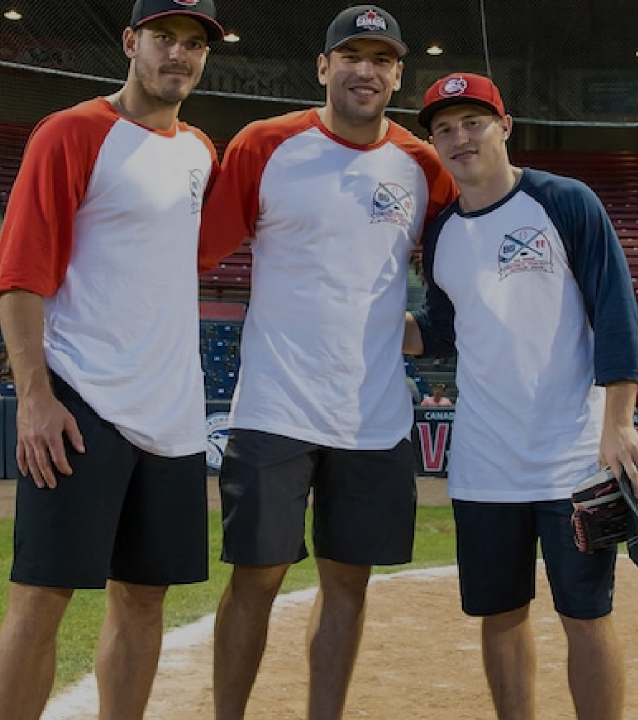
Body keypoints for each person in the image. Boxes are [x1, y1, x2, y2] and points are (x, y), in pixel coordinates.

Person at [195, 7, 457, 719]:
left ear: (399, 74)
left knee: (349, 583)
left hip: (373, 417)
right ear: (323, 67)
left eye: (381, 59)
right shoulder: (263, 146)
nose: (365, 71)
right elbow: (196, 251)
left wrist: (430, 336)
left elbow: (460, 275)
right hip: (274, 406)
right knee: (257, 576)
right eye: (351, 56)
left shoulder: (424, 167)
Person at [0, 2, 224, 719]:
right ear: (130, 43)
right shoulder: (72, 132)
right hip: (82, 400)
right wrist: (35, 396)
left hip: (174, 412)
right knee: (41, 596)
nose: (177, 55)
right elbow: (20, 275)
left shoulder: (201, 151)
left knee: (145, 598)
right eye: (162, 39)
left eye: (192, 44)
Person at [403, 71, 638, 720]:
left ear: (504, 127)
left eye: (473, 122)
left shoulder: (563, 201)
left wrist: (618, 424)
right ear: (433, 144)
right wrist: (360, 319)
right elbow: (440, 331)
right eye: (444, 129)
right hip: (483, 466)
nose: (459, 138)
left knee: (585, 614)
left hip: (573, 459)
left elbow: (616, 314)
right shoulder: (439, 234)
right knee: (499, 616)